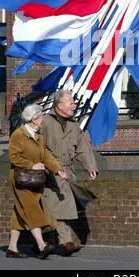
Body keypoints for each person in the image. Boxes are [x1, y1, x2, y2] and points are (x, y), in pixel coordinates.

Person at [41, 90, 98, 257]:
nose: (74, 105)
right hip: (50, 172)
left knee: (57, 207)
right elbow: (38, 147)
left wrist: (91, 166)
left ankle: (42, 242)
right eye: (70, 103)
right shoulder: (45, 123)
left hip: (68, 171)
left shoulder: (73, 125)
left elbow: (83, 148)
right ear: (58, 105)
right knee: (59, 205)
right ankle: (66, 242)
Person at [7, 103, 67, 259]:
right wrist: (32, 165)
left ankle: (12, 248)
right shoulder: (18, 135)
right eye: (40, 117)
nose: (43, 120)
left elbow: (46, 155)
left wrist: (57, 169)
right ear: (33, 119)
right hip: (21, 180)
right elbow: (14, 157)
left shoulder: (39, 136)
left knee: (20, 212)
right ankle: (42, 245)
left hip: (35, 181)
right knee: (33, 210)